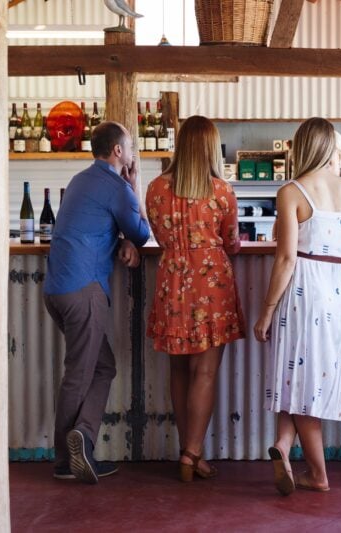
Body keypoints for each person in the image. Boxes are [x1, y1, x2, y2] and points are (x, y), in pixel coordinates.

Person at [254, 117, 341, 496]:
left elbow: (286, 257)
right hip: (338, 287)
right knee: (301, 379)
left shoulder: (292, 191)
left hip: (303, 289)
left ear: (300, 147)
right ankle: (284, 448)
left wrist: (267, 310)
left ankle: (318, 475)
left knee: (300, 378)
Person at [44, 121, 150, 484]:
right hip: (84, 291)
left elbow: (103, 223)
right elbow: (142, 233)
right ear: (118, 151)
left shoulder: (80, 180)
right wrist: (134, 188)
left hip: (57, 289)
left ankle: (82, 438)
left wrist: (121, 233)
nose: (133, 152)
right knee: (78, 373)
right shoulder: (115, 185)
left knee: (102, 367)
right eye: (130, 146)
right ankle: (64, 461)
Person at [145, 115, 245, 482]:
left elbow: (156, 234)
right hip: (211, 282)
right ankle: (192, 453)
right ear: (209, 147)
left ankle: (186, 452)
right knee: (205, 371)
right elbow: (232, 241)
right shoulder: (220, 190)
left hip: (172, 279)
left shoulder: (155, 188)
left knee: (177, 369)